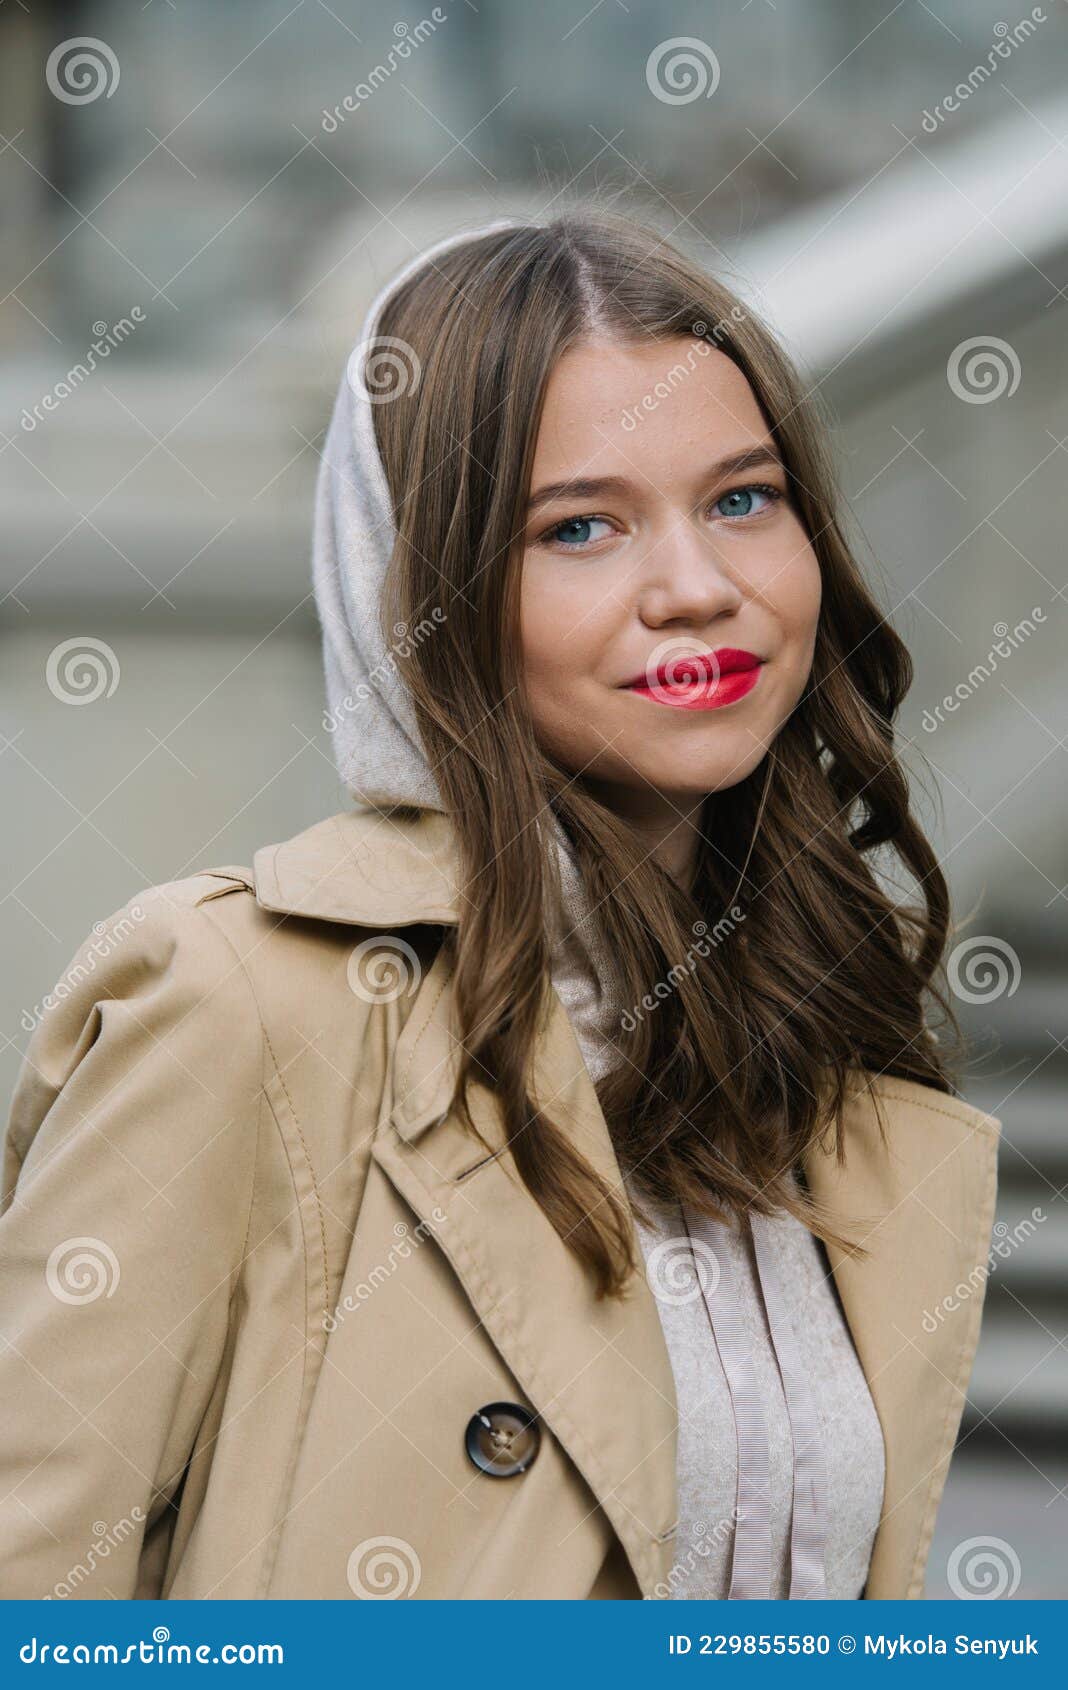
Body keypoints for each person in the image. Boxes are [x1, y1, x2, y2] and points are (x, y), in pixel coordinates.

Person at [0, 210, 1001, 1601]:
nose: (697, 589)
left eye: (742, 499)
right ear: (417, 587)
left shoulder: (816, 1051)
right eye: (579, 526)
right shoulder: (243, 998)